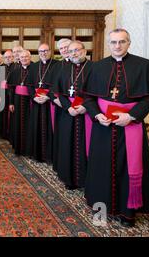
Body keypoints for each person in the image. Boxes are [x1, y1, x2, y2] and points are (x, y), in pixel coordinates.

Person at [83, 28, 149, 227]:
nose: (117, 46)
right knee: (101, 168)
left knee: (127, 168)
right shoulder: (97, 67)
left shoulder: (144, 66)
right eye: (113, 42)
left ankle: (127, 213)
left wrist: (131, 116)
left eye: (122, 42)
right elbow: (88, 98)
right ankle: (101, 209)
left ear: (129, 43)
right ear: (109, 44)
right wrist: (97, 114)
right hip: (103, 127)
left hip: (130, 127)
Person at [54, 41, 92, 190]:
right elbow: (58, 92)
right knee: (67, 144)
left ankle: (85, 179)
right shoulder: (64, 69)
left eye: (77, 50)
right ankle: (69, 178)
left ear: (84, 50)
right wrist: (68, 107)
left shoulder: (94, 68)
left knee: (85, 145)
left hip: (87, 114)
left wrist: (85, 106)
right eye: (71, 51)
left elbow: (98, 94)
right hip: (67, 113)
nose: (74, 54)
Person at [26, 43, 58, 163]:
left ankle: (49, 156)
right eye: (40, 51)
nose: (43, 53)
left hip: (50, 103)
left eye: (45, 51)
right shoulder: (34, 67)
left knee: (50, 128)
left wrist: (48, 97)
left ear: (50, 51)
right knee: (36, 126)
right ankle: (37, 154)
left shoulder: (57, 65)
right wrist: (34, 96)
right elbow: (29, 85)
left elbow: (58, 85)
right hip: (36, 102)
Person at [50, 38, 72, 171]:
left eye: (66, 47)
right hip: (61, 107)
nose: (64, 50)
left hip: (78, 108)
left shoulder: (85, 65)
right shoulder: (57, 66)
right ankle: (61, 167)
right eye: (62, 48)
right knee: (62, 137)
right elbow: (52, 88)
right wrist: (58, 101)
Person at [8, 50, 34, 156]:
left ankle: (29, 149)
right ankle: (18, 148)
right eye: (22, 57)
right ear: (19, 59)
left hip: (30, 102)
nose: (24, 59)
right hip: (17, 102)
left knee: (29, 125)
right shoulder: (15, 71)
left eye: (26, 57)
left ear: (30, 57)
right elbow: (12, 89)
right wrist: (11, 103)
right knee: (18, 124)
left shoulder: (35, 70)